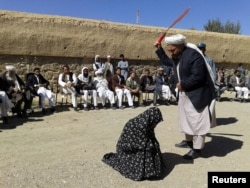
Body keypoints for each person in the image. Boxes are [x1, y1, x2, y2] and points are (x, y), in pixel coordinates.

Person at [155, 34, 216, 159]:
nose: (171, 52)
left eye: (172, 49)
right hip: (185, 94)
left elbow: (198, 76)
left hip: (197, 95)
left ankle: (197, 149)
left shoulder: (193, 55)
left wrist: (183, 84)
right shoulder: (178, 55)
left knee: (198, 122)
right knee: (186, 120)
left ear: (180, 45)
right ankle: (188, 142)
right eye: (169, 50)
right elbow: (167, 62)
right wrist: (159, 49)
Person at [102, 107, 164, 181]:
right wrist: (150, 145)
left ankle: (153, 171)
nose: (155, 125)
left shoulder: (147, 123)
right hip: (128, 149)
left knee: (154, 146)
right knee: (148, 150)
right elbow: (132, 144)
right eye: (155, 123)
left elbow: (151, 137)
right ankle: (146, 173)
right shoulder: (137, 125)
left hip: (138, 145)